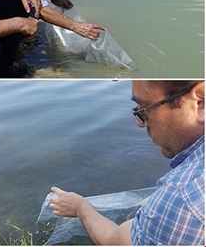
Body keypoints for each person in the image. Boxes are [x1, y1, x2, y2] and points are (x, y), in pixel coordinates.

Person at [50, 80, 204, 245]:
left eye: (144, 109)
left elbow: (117, 241)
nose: (139, 123)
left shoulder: (181, 199)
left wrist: (81, 207)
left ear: (200, 101)